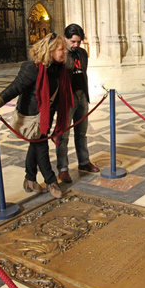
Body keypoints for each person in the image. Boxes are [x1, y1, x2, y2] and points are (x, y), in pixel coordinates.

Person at [0, 33, 74, 199]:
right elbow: (15, 86)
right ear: (50, 50)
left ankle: (29, 179)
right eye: (61, 49)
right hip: (31, 116)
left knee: (36, 144)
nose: (65, 52)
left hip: (45, 115)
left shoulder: (58, 68)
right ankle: (52, 181)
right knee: (41, 146)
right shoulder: (33, 67)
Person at [56, 23, 99, 183]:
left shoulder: (82, 53)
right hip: (67, 99)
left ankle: (83, 161)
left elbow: (83, 74)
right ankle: (63, 168)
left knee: (81, 132)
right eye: (73, 41)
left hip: (82, 95)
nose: (76, 45)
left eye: (79, 42)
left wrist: (85, 94)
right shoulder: (61, 54)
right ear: (66, 38)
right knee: (63, 136)